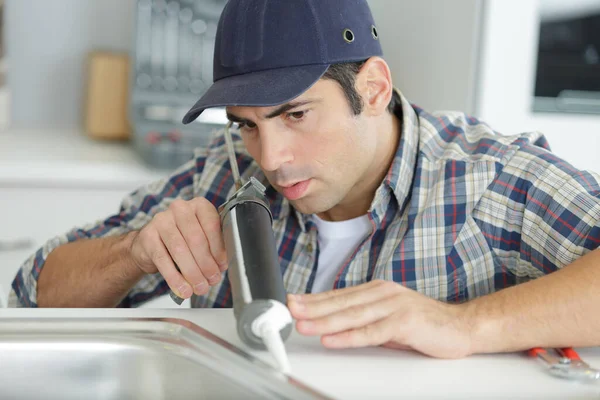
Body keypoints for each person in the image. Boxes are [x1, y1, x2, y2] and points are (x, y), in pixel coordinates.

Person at [9, 0, 600, 359]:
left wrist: (465, 324)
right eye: (247, 124)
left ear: (373, 87)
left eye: (295, 114)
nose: (272, 157)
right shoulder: (225, 170)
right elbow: (35, 290)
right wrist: (132, 253)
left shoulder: (490, 179)